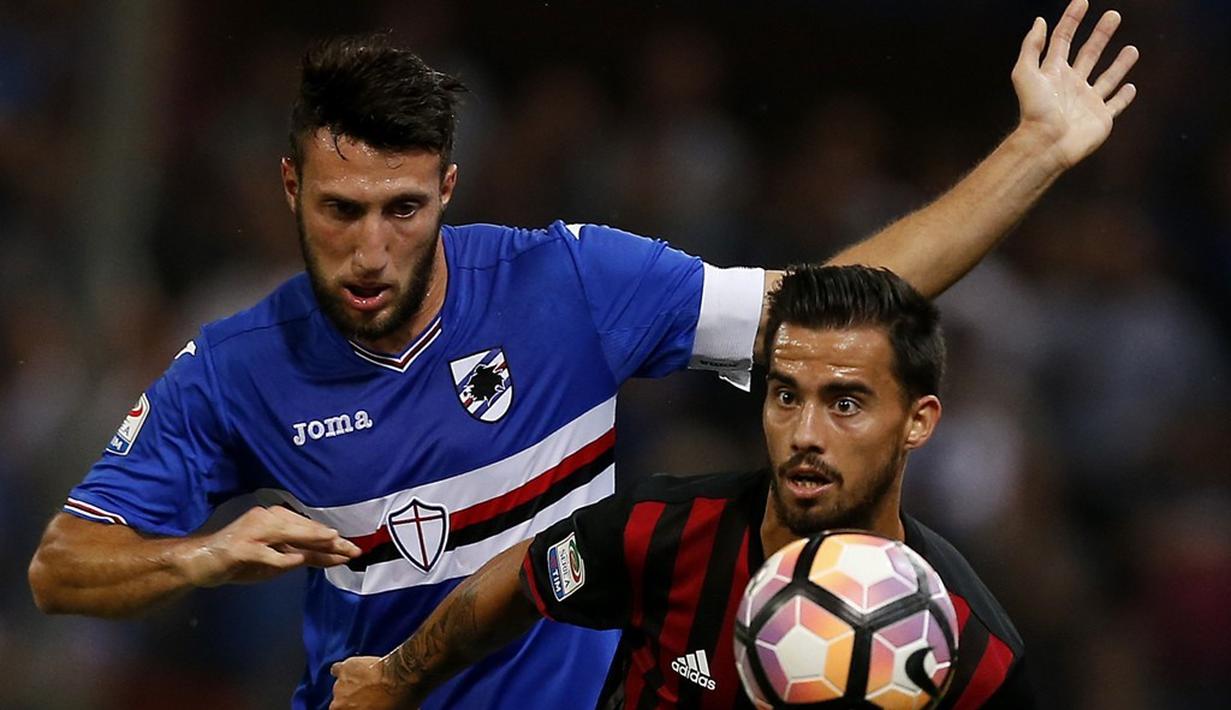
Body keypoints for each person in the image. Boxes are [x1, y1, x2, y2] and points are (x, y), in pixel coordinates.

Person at [29, 1, 1130, 707]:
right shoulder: (235, 366)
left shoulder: (570, 282)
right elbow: (61, 566)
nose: (370, 249)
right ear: (289, 190)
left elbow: (832, 309)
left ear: (449, 190)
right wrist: (198, 554)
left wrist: (1035, 150)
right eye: (340, 209)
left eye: (402, 209)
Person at [329, 264, 1034, 709]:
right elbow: (526, 575)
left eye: (845, 403)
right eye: (785, 396)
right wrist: (400, 678)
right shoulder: (662, 529)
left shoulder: (974, 655)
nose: (805, 433)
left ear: (917, 422)